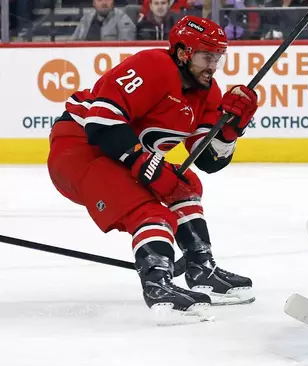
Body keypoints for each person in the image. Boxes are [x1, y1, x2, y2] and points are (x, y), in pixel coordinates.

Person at [48, 15, 258, 320]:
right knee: (151, 212)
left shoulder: (207, 92)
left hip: (116, 154)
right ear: (184, 52)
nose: (213, 66)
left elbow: (208, 161)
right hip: (79, 150)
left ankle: (200, 266)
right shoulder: (154, 66)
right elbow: (101, 122)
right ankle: (159, 287)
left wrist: (229, 130)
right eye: (206, 56)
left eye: (218, 58)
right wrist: (146, 164)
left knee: (184, 183)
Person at [71, 0, 136, 41]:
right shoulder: (86, 19)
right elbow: (72, 43)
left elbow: (126, 48)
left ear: (113, 1)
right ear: (94, 3)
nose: (104, 3)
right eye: (99, 0)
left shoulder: (123, 19)